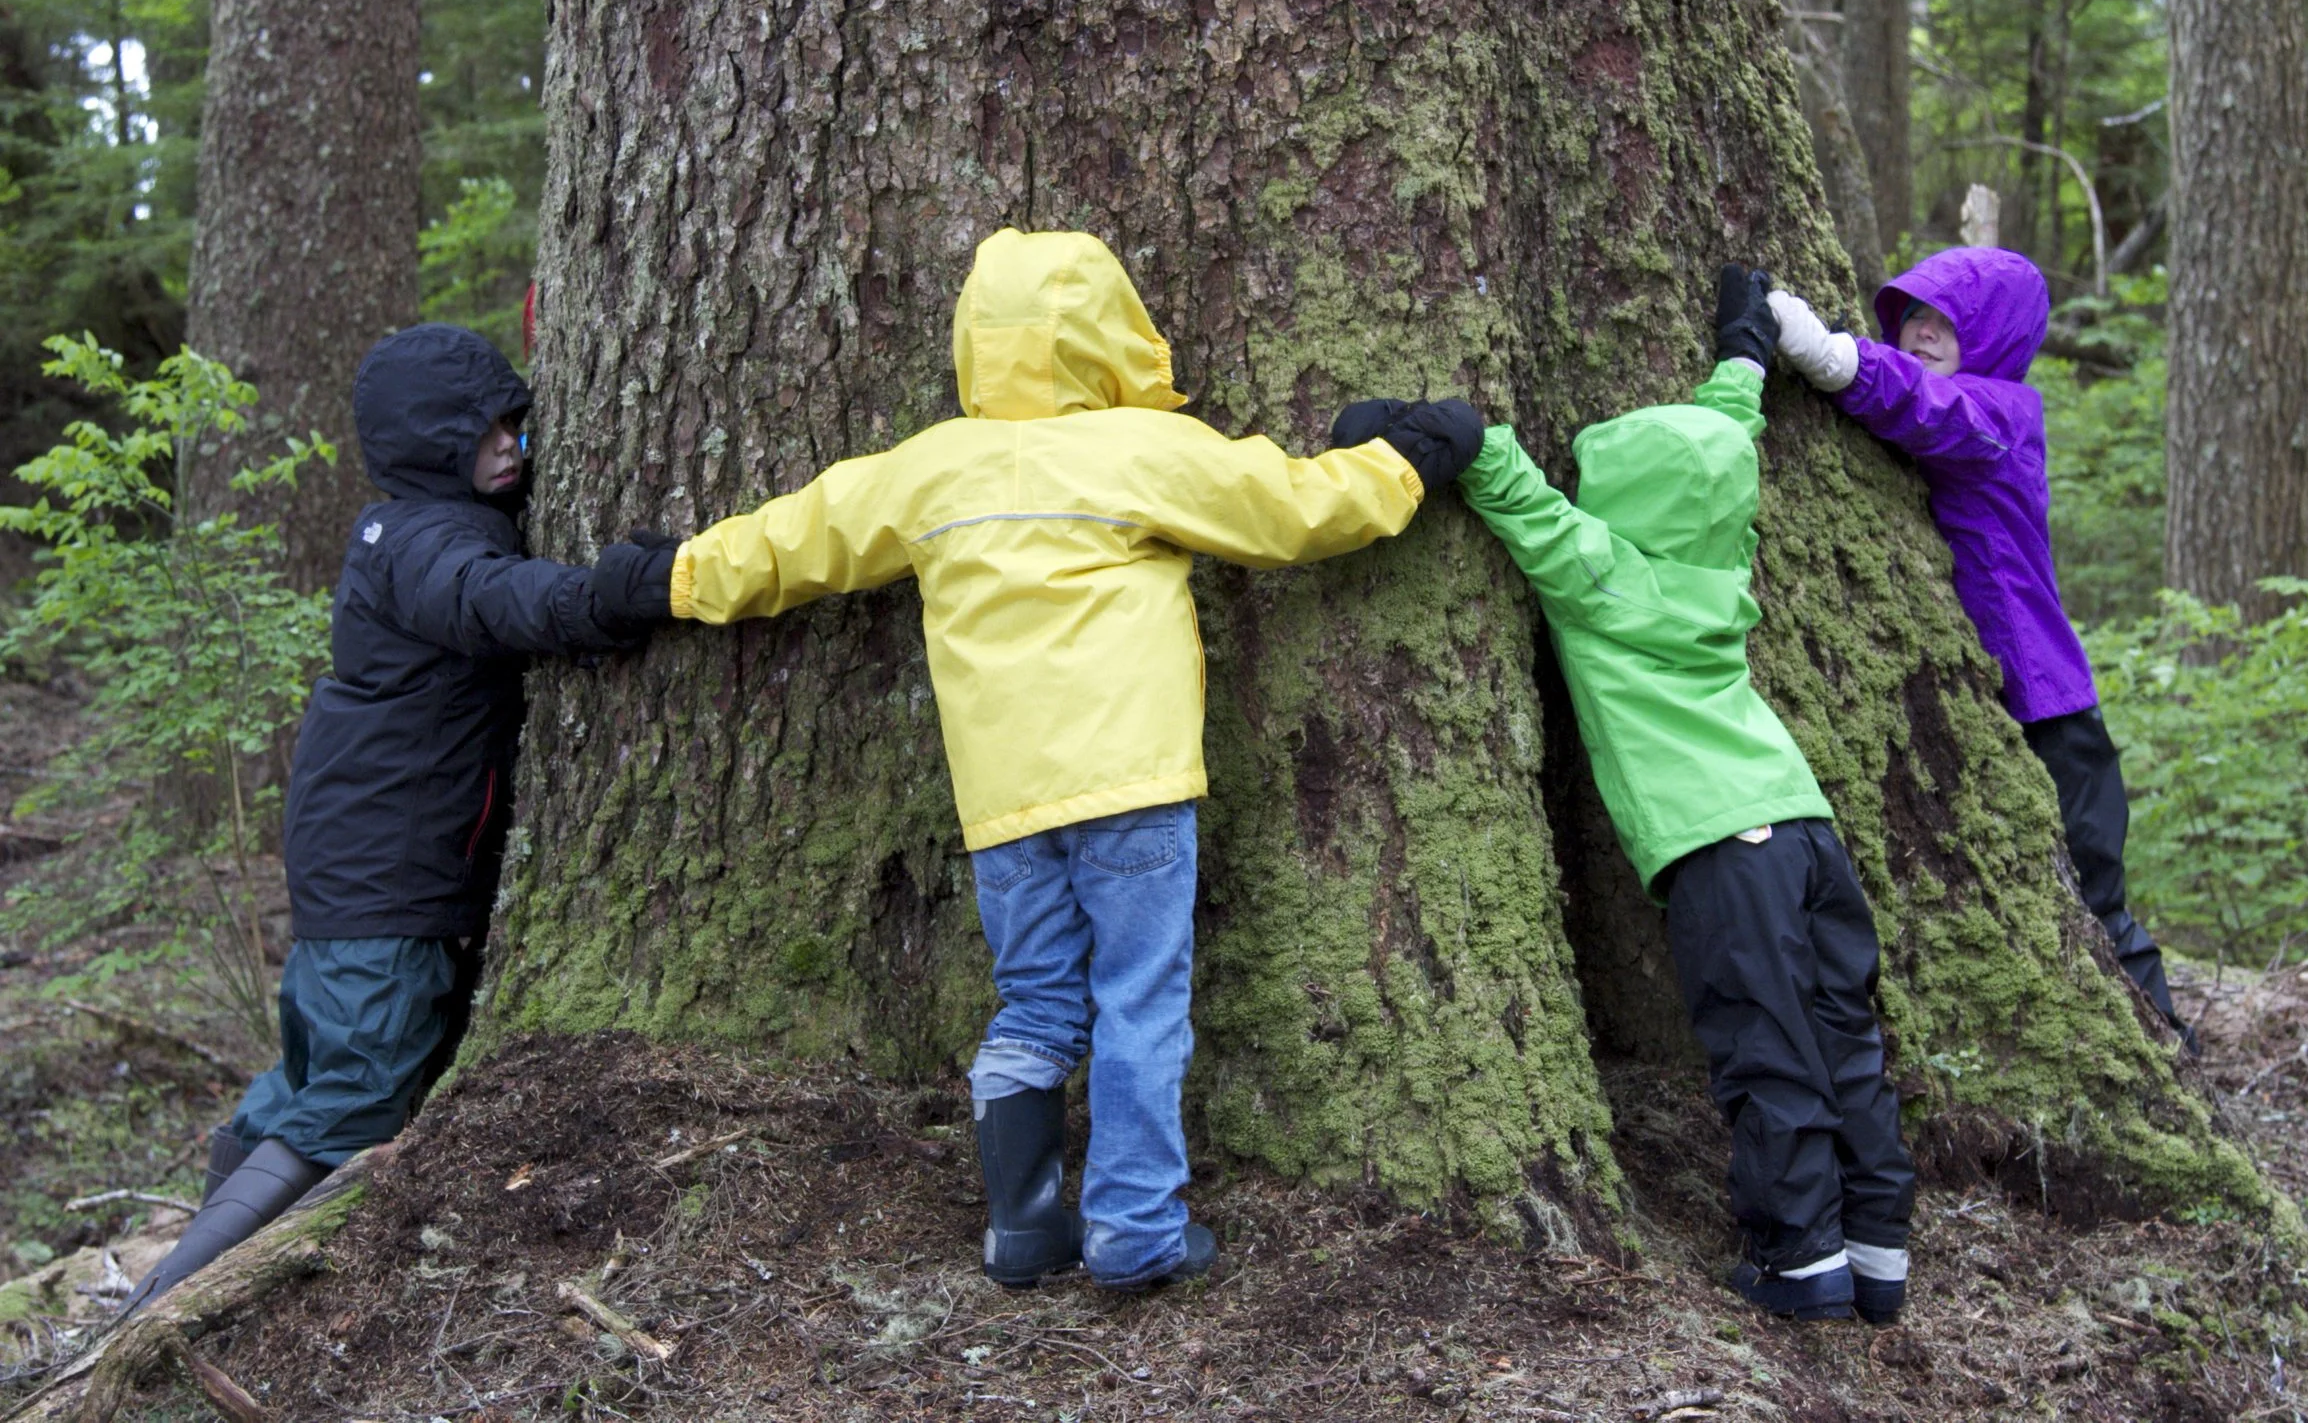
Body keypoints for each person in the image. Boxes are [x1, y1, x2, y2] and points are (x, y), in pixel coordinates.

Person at [598, 229, 1482, 1292]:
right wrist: (1409, 459)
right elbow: (1296, 508)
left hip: (1006, 804)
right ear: (1111, 331)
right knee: (1140, 998)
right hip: (1133, 784)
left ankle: (1022, 1230)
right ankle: (1134, 1228)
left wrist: (675, 577)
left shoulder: (931, 468)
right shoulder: (1140, 449)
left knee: (1039, 1006)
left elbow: (799, 538)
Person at [1406, 265, 1915, 1324]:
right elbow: (1725, 440)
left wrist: (1451, 430)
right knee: (1844, 1039)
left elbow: (1518, 497)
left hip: (1720, 845)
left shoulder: (1603, 576)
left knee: (1765, 1042)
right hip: (1806, 826)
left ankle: (1802, 1258)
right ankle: (1877, 1244)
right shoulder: (1724, 554)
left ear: (1618, 500)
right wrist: (1742, 349)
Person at [129, 324, 670, 1307]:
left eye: (514, 422)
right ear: (430, 442)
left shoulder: (406, 526)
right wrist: (605, 595)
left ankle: (174, 1294)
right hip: (385, 879)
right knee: (352, 1098)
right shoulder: (426, 539)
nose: (510, 443)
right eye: (482, 430)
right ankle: (164, 1317)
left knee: (302, 1086)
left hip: (361, 864)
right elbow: (487, 599)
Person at [1766, 248, 2195, 1053]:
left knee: (2097, 898)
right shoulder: (1964, 402)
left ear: (1994, 334)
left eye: (1947, 321)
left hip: (2054, 713)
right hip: (2015, 701)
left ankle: (2169, 1042)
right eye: (1914, 316)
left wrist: (1830, 355)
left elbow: (1931, 408)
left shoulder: (2002, 414)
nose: (1923, 332)